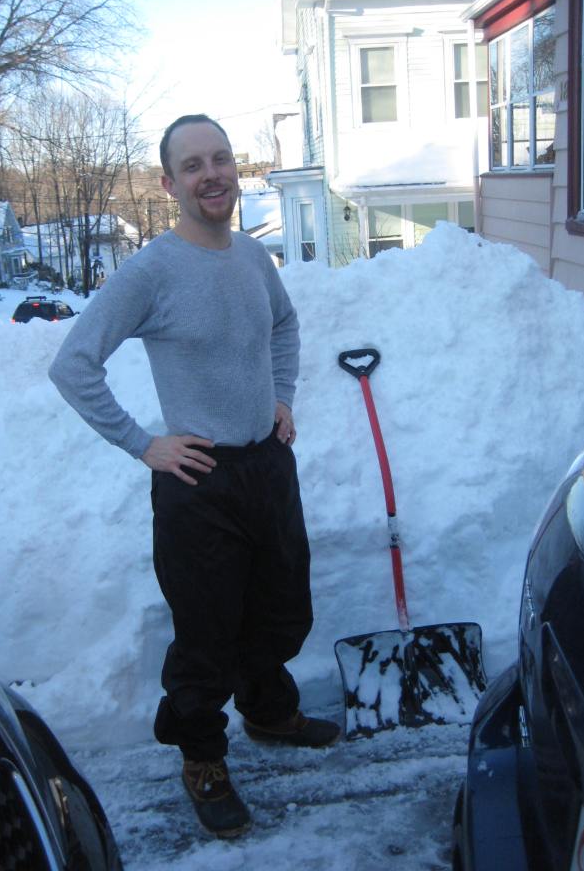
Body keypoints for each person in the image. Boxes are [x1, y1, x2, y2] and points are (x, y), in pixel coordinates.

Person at [48, 113, 340, 839]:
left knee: (283, 608)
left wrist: (282, 396)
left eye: (221, 160)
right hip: (198, 481)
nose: (212, 174)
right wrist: (143, 444)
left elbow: (285, 326)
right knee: (206, 633)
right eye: (193, 165)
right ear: (169, 182)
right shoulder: (151, 270)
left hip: (267, 465)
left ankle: (268, 712)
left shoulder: (250, 256)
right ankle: (202, 755)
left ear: (234, 170)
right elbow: (72, 364)